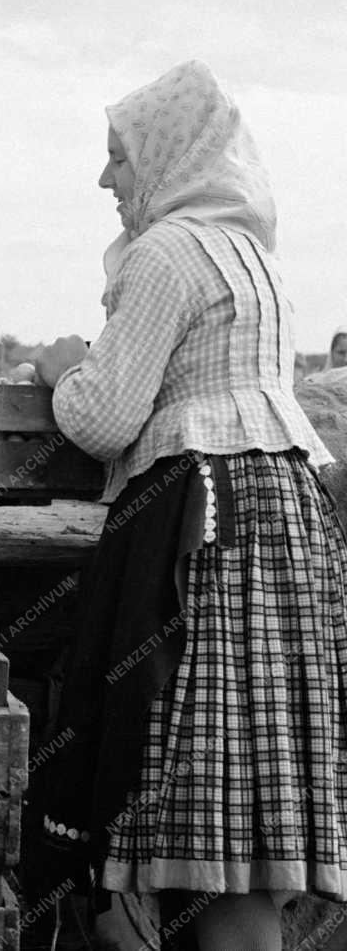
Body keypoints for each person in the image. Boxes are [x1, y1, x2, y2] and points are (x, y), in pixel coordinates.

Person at [33, 61, 347, 950]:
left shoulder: (169, 251)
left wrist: (60, 369)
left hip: (205, 526)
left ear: (169, 157)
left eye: (119, 159)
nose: (107, 179)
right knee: (245, 814)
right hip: (284, 519)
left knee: (191, 784)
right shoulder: (259, 262)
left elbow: (104, 416)